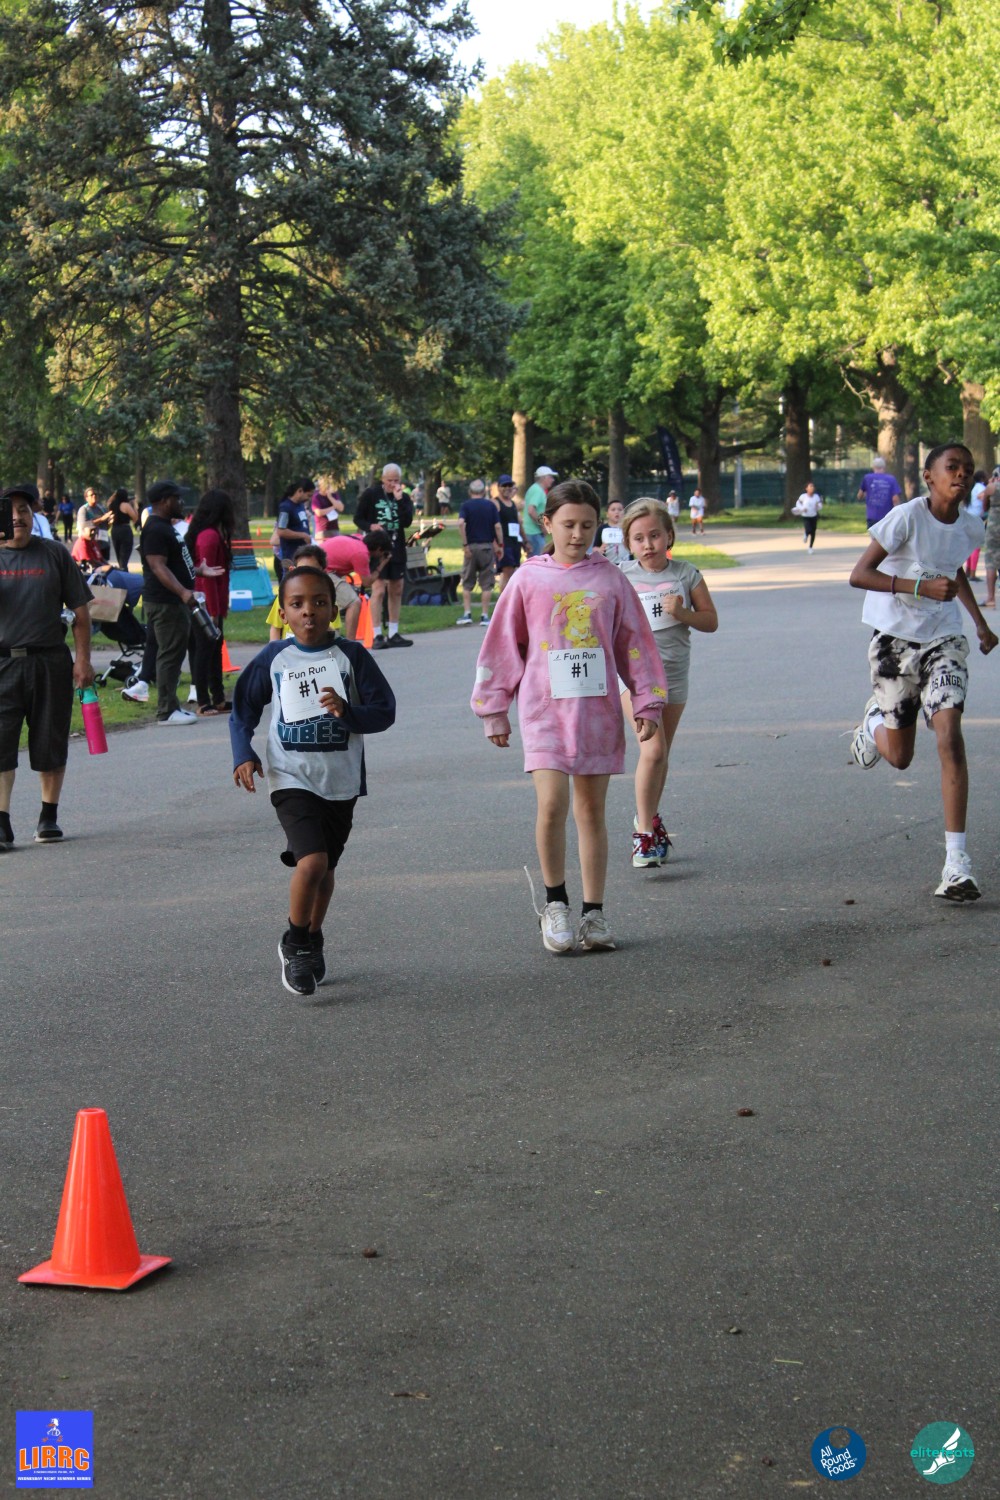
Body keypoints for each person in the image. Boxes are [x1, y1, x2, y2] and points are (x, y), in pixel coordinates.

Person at [471, 478, 667, 954]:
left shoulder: (611, 579)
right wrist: (494, 708)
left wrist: (647, 701)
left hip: (597, 712)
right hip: (543, 711)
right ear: (547, 523)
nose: (578, 534)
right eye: (568, 524)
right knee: (552, 804)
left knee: (591, 811)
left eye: (587, 525)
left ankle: (593, 913)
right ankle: (555, 904)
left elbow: (636, 644)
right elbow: (502, 646)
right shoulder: (528, 580)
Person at [230, 565, 396, 996]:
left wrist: (348, 711)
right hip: (290, 776)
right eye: (297, 604)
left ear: (334, 610)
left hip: (340, 779)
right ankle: (295, 941)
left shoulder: (351, 656)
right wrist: (243, 752)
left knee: (327, 869)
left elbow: (384, 712)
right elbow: (243, 708)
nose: (309, 612)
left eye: (319, 602)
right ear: (283, 613)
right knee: (312, 862)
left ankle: (313, 936)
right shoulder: (275, 658)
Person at [848, 441, 997, 901]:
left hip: (943, 639)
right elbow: (859, 574)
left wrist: (979, 623)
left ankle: (956, 864)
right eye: (952, 467)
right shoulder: (906, 517)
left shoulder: (970, 526)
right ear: (929, 476)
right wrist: (916, 586)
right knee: (900, 757)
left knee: (949, 734)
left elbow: (952, 573)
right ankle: (873, 723)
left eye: (968, 468)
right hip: (894, 641)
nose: (962, 474)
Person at [619, 499, 719, 866]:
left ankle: (648, 817)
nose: (648, 545)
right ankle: (644, 835)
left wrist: (682, 613)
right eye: (639, 538)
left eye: (655, 535)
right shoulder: (621, 577)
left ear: (669, 536)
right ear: (628, 543)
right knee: (653, 751)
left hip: (674, 672)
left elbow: (711, 621)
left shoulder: (686, 574)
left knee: (661, 755)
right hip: (634, 676)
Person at [0, 482, 94, 847]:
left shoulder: (54, 553)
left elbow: (81, 613)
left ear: (33, 515)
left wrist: (83, 660)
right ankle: (2, 823)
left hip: (50, 661)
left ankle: (48, 817)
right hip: (4, 663)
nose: (17, 517)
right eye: (9, 511)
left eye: (24, 510)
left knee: (50, 740)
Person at [140, 478, 222, 725]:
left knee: (174, 655)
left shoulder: (165, 527)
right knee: (169, 654)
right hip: (165, 602)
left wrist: (197, 571)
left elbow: (173, 564)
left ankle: (172, 706)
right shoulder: (155, 529)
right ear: (165, 501)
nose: (182, 502)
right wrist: (183, 592)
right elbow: (158, 566)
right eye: (177, 498)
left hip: (173, 601)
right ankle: (166, 711)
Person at [353, 463, 414, 648]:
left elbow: (407, 521)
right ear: (383, 479)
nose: (393, 484)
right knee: (378, 590)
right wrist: (370, 526)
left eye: (396, 480)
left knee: (397, 589)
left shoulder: (403, 497)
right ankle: (377, 634)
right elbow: (358, 518)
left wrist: (400, 500)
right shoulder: (371, 494)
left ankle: (394, 632)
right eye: (389, 480)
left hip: (397, 546)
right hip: (377, 548)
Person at [185, 489, 234, 716]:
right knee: (204, 650)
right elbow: (208, 578)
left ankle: (218, 697)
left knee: (214, 649)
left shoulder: (210, 534)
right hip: (204, 603)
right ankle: (203, 701)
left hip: (209, 602)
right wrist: (213, 611)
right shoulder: (209, 537)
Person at [266, 543, 363, 643]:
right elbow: (275, 628)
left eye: (313, 571)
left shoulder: (326, 601)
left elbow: (333, 634)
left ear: (323, 573)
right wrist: (274, 649)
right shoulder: (285, 596)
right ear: (293, 570)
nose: (307, 576)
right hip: (288, 652)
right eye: (302, 570)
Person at [455, 478, 503, 626]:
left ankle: (467, 613)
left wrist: (465, 544)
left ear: (470, 491)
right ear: (483, 491)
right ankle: (484, 616)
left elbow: (461, 523)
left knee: (467, 582)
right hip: (487, 547)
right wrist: (500, 544)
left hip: (471, 547)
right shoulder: (490, 506)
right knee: (487, 583)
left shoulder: (465, 506)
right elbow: (497, 527)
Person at [273, 480, 313, 581]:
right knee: (290, 582)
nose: (309, 499)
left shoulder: (300, 506)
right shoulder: (285, 508)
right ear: (300, 491)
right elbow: (281, 531)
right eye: (308, 495)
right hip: (290, 555)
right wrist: (303, 535)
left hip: (302, 554)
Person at [493, 474, 524, 595]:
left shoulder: (513, 504)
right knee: (507, 573)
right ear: (498, 487)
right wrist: (496, 544)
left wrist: (525, 542)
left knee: (512, 573)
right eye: (504, 485)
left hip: (515, 543)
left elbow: (519, 524)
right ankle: (504, 601)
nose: (507, 488)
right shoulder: (496, 503)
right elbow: (492, 525)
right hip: (504, 544)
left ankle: (508, 600)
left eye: (509, 485)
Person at [521, 466, 557, 557]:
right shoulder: (537, 490)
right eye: (550, 477)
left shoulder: (536, 489)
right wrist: (542, 526)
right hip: (534, 533)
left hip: (533, 533)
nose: (552, 480)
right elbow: (531, 510)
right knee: (539, 560)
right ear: (544, 477)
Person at [857, 456, 902, 526]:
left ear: (873, 467)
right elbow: (895, 499)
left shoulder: (867, 478)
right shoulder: (891, 479)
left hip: (872, 516)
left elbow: (859, 495)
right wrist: (898, 513)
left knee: (874, 532)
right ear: (884, 467)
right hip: (887, 516)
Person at [77, 486, 113, 562]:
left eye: (95, 494)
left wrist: (110, 522)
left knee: (105, 564)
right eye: (91, 495)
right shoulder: (84, 510)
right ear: (86, 498)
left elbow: (105, 527)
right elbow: (84, 525)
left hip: (104, 542)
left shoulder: (102, 508)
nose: (94, 496)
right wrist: (101, 519)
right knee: (95, 564)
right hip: (92, 544)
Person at [108, 487, 138, 568]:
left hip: (114, 530)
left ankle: (122, 568)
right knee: (124, 555)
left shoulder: (112, 505)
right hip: (125, 530)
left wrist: (115, 494)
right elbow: (135, 518)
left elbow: (109, 501)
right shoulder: (126, 505)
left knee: (119, 555)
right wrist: (134, 505)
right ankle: (123, 570)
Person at [965, 470, 987, 580]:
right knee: (976, 547)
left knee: (969, 546)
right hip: (976, 519)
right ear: (982, 478)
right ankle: (973, 574)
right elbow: (981, 496)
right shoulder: (981, 487)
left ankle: (968, 571)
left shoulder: (972, 487)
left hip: (968, 517)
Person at [595, 500, 630, 566]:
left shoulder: (628, 528)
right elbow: (595, 547)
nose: (617, 512)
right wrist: (599, 550)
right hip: (607, 564)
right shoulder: (602, 529)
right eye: (613, 510)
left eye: (620, 509)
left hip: (626, 564)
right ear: (607, 514)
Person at [792, 481, 823, 548]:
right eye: (810, 486)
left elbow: (820, 505)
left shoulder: (816, 497)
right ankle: (806, 535)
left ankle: (810, 547)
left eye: (813, 486)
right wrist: (802, 508)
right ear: (806, 488)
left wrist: (818, 507)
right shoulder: (803, 496)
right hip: (806, 516)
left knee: (813, 532)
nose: (812, 488)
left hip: (814, 516)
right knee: (808, 529)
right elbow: (798, 503)